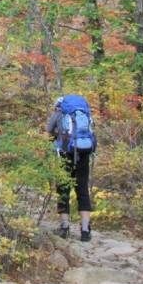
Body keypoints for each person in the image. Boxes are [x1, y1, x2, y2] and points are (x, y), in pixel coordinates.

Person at [46, 97, 93, 241]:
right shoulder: (84, 114)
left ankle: (65, 227)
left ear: (58, 106)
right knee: (82, 190)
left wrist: (55, 137)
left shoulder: (58, 115)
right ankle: (85, 230)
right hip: (84, 154)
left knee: (63, 189)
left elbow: (47, 136)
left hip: (64, 155)